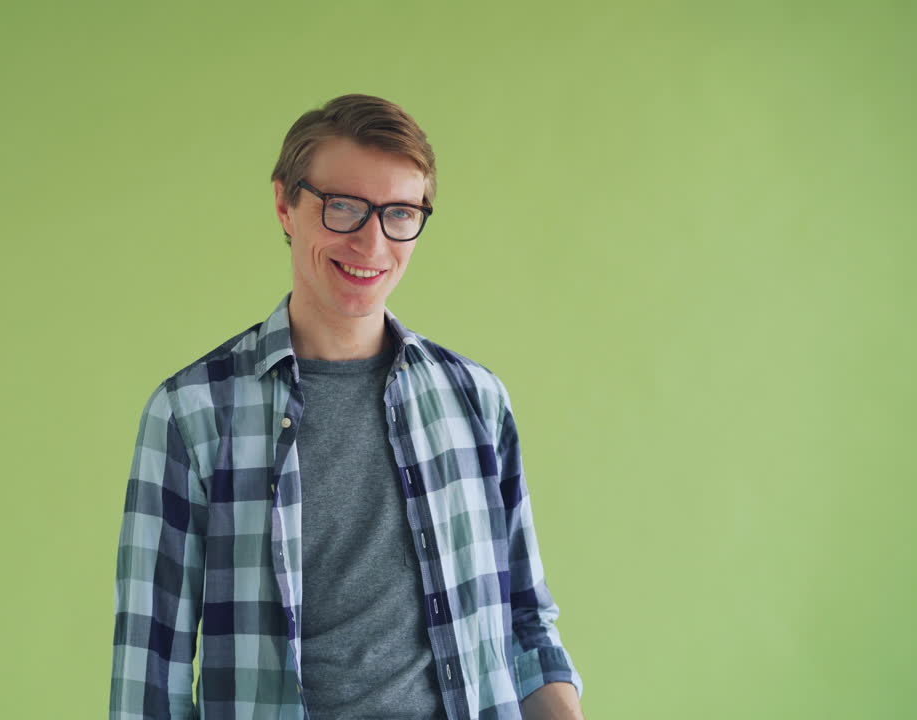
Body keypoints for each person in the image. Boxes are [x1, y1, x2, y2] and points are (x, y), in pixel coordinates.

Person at [110, 94, 584, 720]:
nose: (371, 241)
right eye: (343, 207)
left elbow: (525, 624)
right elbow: (149, 678)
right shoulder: (193, 413)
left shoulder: (475, 399)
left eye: (400, 213)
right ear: (285, 205)